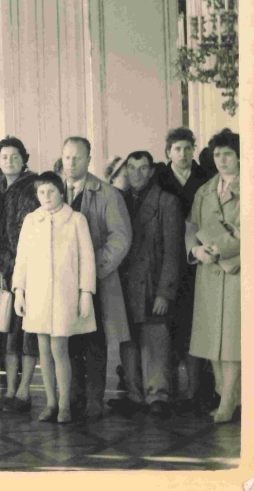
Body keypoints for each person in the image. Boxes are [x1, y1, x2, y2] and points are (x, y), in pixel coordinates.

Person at [14, 171, 97, 424]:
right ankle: (50, 402)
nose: (46, 196)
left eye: (51, 191)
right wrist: (19, 291)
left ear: (61, 192)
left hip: (65, 294)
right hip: (38, 295)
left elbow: (87, 259)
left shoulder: (75, 220)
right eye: (41, 192)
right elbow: (22, 259)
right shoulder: (31, 220)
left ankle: (64, 405)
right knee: (43, 350)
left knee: (59, 348)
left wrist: (86, 293)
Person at [61, 136, 133, 421]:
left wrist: (92, 270)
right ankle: (73, 398)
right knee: (68, 341)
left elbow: (121, 239)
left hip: (98, 284)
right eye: (67, 157)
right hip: (64, 284)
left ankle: (94, 400)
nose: (71, 162)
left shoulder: (107, 194)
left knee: (94, 342)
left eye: (77, 157)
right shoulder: (53, 191)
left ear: (89, 159)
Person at [107, 152, 183, 419]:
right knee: (128, 342)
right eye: (131, 168)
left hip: (153, 283)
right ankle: (135, 395)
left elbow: (174, 253)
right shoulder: (121, 200)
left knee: (155, 340)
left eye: (142, 168)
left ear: (152, 171)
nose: (136, 174)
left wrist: (165, 292)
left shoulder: (166, 201)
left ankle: (158, 395)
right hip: (125, 285)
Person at [0, 137, 40, 414]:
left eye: (14, 156)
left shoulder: (36, 187)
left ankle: (24, 391)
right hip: (0, 272)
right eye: (4, 156)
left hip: (30, 270)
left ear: (23, 158)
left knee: (26, 333)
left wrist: (21, 265)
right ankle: (9, 391)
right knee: (6, 333)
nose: (9, 161)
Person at [154, 127, 212, 413]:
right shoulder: (159, 179)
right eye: (177, 149)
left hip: (197, 260)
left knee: (195, 324)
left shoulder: (205, 179)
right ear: (168, 152)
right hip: (166, 259)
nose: (183, 154)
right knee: (169, 327)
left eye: (188, 148)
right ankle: (170, 390)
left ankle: (196, 390)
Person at [187, 128, 241, 424]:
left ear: (239, 157)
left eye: (227, 154)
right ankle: (225, 392)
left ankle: (230, 401)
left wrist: (218, 247)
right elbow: (191, 225)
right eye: (217, 154)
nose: (222, 160)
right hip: (208, 272)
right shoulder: (205, 190)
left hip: (237, 271)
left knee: (233, 340)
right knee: (212, 340)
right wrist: (196, 251)